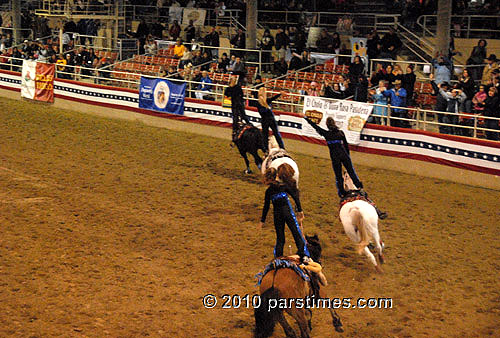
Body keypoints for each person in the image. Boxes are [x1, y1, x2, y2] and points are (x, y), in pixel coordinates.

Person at [298, 114, 363, 197]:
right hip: (344, 154)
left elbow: (315, 126)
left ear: (327, 125)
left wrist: (306, 118)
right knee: (351, 171)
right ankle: (359, 186)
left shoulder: (326, 134)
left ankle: (342, 192)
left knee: (338, 176)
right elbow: (346, 146)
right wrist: (348, 156)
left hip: (335, 157)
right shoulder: (341, 133)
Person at [260, 166, 310, 262]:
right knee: (296, 232)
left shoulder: (268, 191)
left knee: (280, 238)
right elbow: (295, 197)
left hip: (277, 215)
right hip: (287, 213)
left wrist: (262, 220)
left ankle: (278, 258)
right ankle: (303, 254)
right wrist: (300, 210)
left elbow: (266, 207)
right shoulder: (284, 186)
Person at [258, 86, 285, 151]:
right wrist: (280, 94)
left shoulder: (259, 102)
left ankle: (265, 149)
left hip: (264, 120)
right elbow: (273, 98)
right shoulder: (266, 101)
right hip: (270, 119)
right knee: (276, 133)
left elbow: (261, 112)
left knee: (265, 135)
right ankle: (282, 147)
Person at [224, 76, 251, 141]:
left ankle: (249, 124)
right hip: (234, 104)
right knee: (235, 117)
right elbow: (226, 95)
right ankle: (235, 129)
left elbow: (241, 94)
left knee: (243, 115)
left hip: (239, 103)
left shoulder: (237, 87)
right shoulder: (229, 88)